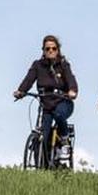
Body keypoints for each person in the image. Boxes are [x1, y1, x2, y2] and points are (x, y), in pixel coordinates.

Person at [14, 35, 78, 168]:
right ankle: (44, 165)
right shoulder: (38, 65)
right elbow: (29, 79)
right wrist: (21, 91)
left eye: (54, 48)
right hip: (46, 105)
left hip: (63, 102)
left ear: (58, 50)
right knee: (44, 134)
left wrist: (72, 90)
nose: (50, 51)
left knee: (59, 114)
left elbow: (71, 80)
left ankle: (64, 139)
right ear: (43, 50)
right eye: (47, 48)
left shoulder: (63, 65)